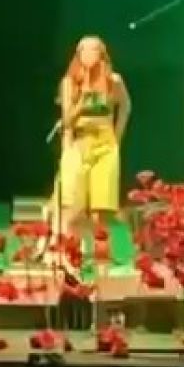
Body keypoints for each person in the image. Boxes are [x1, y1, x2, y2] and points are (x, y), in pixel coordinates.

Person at [48, 36, 131, 252]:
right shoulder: (70, 82)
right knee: (72, 202)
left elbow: (125, 106)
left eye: (94, 50)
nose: (89, 54)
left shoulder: (113, 80)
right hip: (79, 142)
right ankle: (69, 248)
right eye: (84, 50)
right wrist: (83, 101)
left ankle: (98, 254)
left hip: (105, 144)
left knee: (100, 208)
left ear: (102, 55)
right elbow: (66, 120)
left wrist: (117, 136)